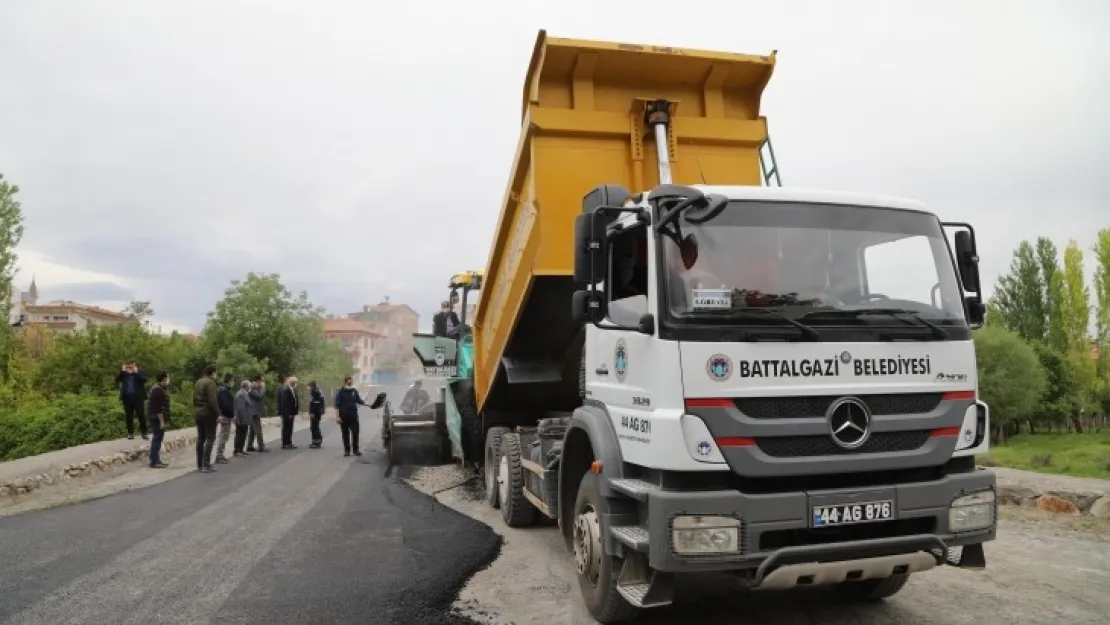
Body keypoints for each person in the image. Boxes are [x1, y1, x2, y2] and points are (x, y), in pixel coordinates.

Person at [193, 365, 220, 473]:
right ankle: (206, 464)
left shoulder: (198, 382)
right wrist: (218, 414)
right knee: (210, 437)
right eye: (216, 373)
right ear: (213, 373)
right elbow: (212, 400)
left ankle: (199, 464)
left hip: (198, 412)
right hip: (208, 413)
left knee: (200, 438)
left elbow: (194, 399)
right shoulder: (210, 383)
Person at [334, 376, 366, 457]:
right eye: (349, 382)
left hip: (353, 416)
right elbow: (337, 406)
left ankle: (356, 450)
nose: (350, 383)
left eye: (351, 382)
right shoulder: (340, 392)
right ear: (345, 382)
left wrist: (369, 405)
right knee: (345, 434)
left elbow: (359, 401)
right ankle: (347, 450)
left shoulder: (354, 391)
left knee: (355, 433)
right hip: (343, 417)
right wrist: (337, 417)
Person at [116, 360, 149, 440]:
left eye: (131, 364)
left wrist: (135, 372)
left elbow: (144, 379)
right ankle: (130, 433)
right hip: (127, 398)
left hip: (138, 398)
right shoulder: (124, 373)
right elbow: (117, 379)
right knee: (128, 416)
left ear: (134, 364)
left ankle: (144, 433)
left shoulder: (140, 371)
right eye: (128, 364)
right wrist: (123, 371)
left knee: (141, 415)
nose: (129, 366)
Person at [146, 371, 171, 469]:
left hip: (155, 417)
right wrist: (162, 422)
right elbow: (158, 408)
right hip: (156, 418)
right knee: (157, 439)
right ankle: (154, 461)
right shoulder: (158, 391)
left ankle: (156, 459)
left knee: (158, 439)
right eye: (168, 377)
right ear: (164, 378)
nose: (169, 379)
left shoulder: (159, 388)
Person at [214, 373, 235, 464]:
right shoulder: (223, 391)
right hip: (225, 416)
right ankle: (219, 455)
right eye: (232, 381)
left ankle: (220, 455)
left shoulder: (221, 389)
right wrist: (231, 414)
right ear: (229, 381)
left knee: (223, 435)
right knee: (224, 436)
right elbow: (225, 405)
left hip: (224, 415)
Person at [246, 374, 267, 452]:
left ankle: (249, 445)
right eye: (262, 381)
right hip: (254, 411)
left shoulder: (255, 387)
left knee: (252, 429)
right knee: (258, 429)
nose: (262, 382)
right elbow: (259, 396)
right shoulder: (252, 387)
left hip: (253, 411)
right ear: (258, 380)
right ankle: (261, 446)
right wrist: (263, 388)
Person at [278, 375, 299, 450]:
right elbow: (285, 403)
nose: (296, 384)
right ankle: (285, 443)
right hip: (287, 413)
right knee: (286, 428)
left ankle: (289, 442)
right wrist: (288, 413)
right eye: (295, 383)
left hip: (292, 412)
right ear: (292, 383)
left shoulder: (292, 389)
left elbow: (294, 401)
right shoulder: (286, 390)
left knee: (290, 428)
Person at [233, 380, 253, 457]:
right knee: (240, 434)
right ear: (246, 386)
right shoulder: (241, 394)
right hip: (241, 418)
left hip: (244, 418)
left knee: (243, 434)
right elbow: (241, 408)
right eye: (250, 386)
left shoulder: (244, 393)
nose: (250, 388)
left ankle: (241, 449)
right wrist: (243, 419)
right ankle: (237, 450)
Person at [307, 380, 326, 449]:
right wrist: (322, 409)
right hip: (318, 411)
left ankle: (316, 442)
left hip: (314, 412)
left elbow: (312, 403)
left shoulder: (313, 392)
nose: (308, 388)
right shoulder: (319, 391)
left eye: (309, 386)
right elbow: (322, 401)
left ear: (312, 386)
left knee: (314, 427)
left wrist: (311, 412)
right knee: (316, 426)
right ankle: (317, 441)